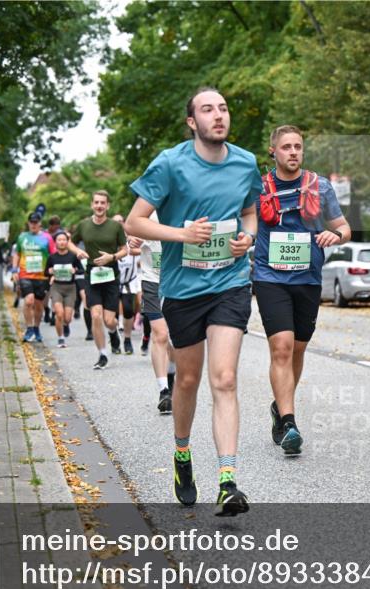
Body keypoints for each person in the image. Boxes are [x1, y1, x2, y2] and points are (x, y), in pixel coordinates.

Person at [124, 86, 262, 517]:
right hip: (183, 290)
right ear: (192, 122)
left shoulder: (245, 162)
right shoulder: (170, 163)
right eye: (208, 109)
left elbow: (250, 212)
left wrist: (248, 239)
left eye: (223, 108)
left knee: (224, 379)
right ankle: (182, 455)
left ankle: (227, 481)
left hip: (231, 283)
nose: (218, 116)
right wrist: (182, 234)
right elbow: (135, 221)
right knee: (187, 380)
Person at [253, 125, 351, 455]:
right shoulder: (257, 186)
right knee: (280, 347)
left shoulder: (320, 186)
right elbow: (244, 224)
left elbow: (343, 228)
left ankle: (279, 408)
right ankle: (290, 422)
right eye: (286, 147)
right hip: (270, 277)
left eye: (297, 146)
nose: (293, 152)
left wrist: (334, 236)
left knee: (296, 350)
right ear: (273, 152)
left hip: (308, 278)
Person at [69, 191, 129, 368]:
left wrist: (112, 257)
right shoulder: (84, 225)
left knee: (109, 320)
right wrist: (77, 251)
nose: (99, 206)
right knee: (96, 315)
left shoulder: (115, 227)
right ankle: (102, 355)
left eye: (103, 203)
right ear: (92, 205)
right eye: (96, 202)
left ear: (108, 206)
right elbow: (71, 242)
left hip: (111, 276)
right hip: (92, 276)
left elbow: (124, 249)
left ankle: (113, 332)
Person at [129, 214, 177, 414]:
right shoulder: (146, 212)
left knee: (174, 341)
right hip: (151, 281)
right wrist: (133, 241)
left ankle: (171, 374)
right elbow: (132, 247)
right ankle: (163, 390)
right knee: (160, 334)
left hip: (177, 281)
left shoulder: (182, 205)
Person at [12, 212, 56, 342]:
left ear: (40, 223)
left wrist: (53, 271)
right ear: (28, 223)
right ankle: (29, 328)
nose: (33, 225)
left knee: (38, 305)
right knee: (29, 301)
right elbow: (17, 254)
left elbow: (53, 255)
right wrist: (14, 269)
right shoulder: (22, 237)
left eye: (36, 222)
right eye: (31, 222)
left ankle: (36, 328)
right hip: (25, 274)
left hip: (42, 276)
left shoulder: (47, 238)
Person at [46, 231, 83, 348]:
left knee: (67, 317)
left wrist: (75, 270)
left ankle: (66, 325)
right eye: (59, 240)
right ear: (55, 242)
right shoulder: (52, 257)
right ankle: (60, 338)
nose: (62, 242)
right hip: (57, 287)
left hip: (70, 288)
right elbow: (45, 272)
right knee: (59, 314)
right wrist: (50, 272)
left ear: (67, 242)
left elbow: (82, 270)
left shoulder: (73, 257)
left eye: (64, 240)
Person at [115, 215, 142, 355]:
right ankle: (113, 335)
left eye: (120, 221)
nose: (118, 224)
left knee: (128, 309)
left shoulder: (132, 239)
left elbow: (141, 253)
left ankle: (127, 339)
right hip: (112, 281)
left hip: (129, 281)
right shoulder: (109, 240)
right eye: (116, 222)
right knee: (111, 314)